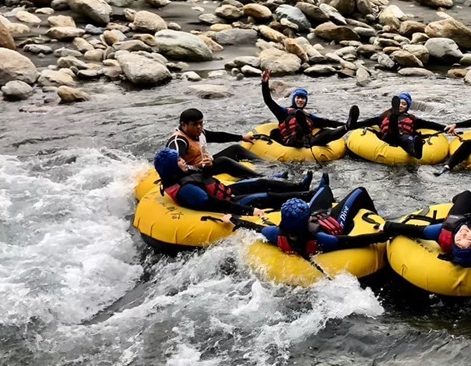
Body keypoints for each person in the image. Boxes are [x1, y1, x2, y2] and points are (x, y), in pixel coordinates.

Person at [152, 148, 321, 217]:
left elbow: (203, 177)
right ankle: (310, 196)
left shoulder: (179, 175)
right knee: (267, 196)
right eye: (179, 161)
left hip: (225, 191)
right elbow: (216, 204)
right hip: (228, 202)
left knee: (260, 182)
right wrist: (250, 210)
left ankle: (301, 187)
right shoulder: (186, 189)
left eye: (181, 159)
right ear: (172, 168)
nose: (183, 162)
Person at [236, 186, 389, 256]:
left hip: (318, 217)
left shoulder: (275, 234)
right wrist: (381, 235)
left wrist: (233, 219)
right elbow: (353, 241)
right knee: (360, 192)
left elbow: (254, 227)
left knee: (324, 189)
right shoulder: (321, 239)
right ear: (306, 221)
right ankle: (376, 214)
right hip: (334, 223)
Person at [260, 70, 354, 148]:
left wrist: (345, 124)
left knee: (327, 134)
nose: (300, 100)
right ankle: (302, 134)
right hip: (292, 142)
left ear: (305, 101)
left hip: (309, 142)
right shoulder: (283, 112)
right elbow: (268, 101)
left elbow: (327, 122)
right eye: (298, 98)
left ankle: (346, 127)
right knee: (299, 133)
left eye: (303, 98)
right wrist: (265, 83)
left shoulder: (309, 116)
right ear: (294, 99)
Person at [166, 108, 262, 178]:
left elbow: (218, 136)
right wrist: (197, 167)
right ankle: (259, 177)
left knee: (236, 149)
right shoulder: (178, 141)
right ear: (183, 125)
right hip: (196, 172)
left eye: (201, 123)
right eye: (195, 124)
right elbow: (175, 165)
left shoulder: (199, 132)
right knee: (223, 161)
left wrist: (241, 137)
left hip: (206, 164)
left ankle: (266, 165)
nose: (199, 127)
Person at [348, 93, 447, 159]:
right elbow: (367, 122)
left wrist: (445, 128)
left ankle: (416, 152)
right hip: (389, 136)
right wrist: (352, 125)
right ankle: (394, 117)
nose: (401, 105)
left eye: (404, 104)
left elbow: (429, 124)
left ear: (407, 107)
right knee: (392, 130)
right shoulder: (384, 115)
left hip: (403, 136)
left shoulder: (412, 118)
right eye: (399, 103)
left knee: (408, 141)